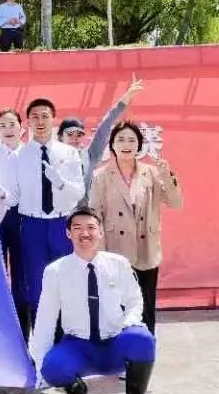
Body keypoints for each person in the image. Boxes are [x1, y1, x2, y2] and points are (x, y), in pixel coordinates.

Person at [30, 208, 157, 394]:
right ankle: (76, 393)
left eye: (91, 228)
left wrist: (129, 323)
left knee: (143, 339)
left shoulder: (118, 264)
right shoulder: (55, 271)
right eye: (77, 228)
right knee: (51, 367)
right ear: (68, 233)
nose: (84, 233)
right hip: (78, 346)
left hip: (114, 341)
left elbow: (135, 300)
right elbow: (46, 318)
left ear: (100, 232)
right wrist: (41, 364)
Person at [89, 121, 183, 334]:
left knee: (146, 308)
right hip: (116, 251)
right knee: (118, 309)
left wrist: (167, 176)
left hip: (145, 250)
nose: (126, 144)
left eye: (132, 140)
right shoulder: (101, 175)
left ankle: (146, 347)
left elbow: (176, 203)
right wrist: (100, 255)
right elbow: (95, 215)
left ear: (139, 145)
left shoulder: (151, 173)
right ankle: (119, 349)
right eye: (121, 139)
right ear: (112, 145)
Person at [11, 98, 85, 323]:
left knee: (66, 280)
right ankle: (41, 338)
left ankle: (68, 336)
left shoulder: (68, 153)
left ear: (53, 119)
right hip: (31, 224)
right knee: (36, 284)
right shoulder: (19, 155)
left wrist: (61, 182)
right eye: (34, 117)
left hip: (60, 223)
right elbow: (13, 195)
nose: (40, 121)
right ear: (28, 122)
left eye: (45, 116)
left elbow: (78, 192)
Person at [57, 75, 145, 205]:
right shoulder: (51, 157)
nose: (75, 138)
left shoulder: (90, 155)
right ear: (60, 137)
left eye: (79, 134)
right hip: (58, 214)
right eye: (70, 134)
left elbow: (105, 125)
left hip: (84, 213)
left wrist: (126, 97)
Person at [0, 108, 28, 340]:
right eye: (3, 125)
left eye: (12, 124)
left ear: (22, 128)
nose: (8, 129)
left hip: (24, 216)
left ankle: (24, 335)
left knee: (22, 275)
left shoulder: (30, 154)